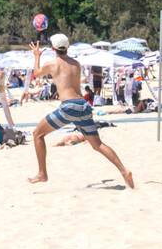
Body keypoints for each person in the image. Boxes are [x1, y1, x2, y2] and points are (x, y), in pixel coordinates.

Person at [29, 34, 134, 188]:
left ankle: (42, 173)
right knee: (98, 145)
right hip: (83, 105)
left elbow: (36, 73)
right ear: (67, 47)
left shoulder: (52, 64)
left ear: (53, 48)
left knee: (37, 134)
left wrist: (37, 55)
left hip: (69, 106)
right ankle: (124, 171)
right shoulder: (76, 64)